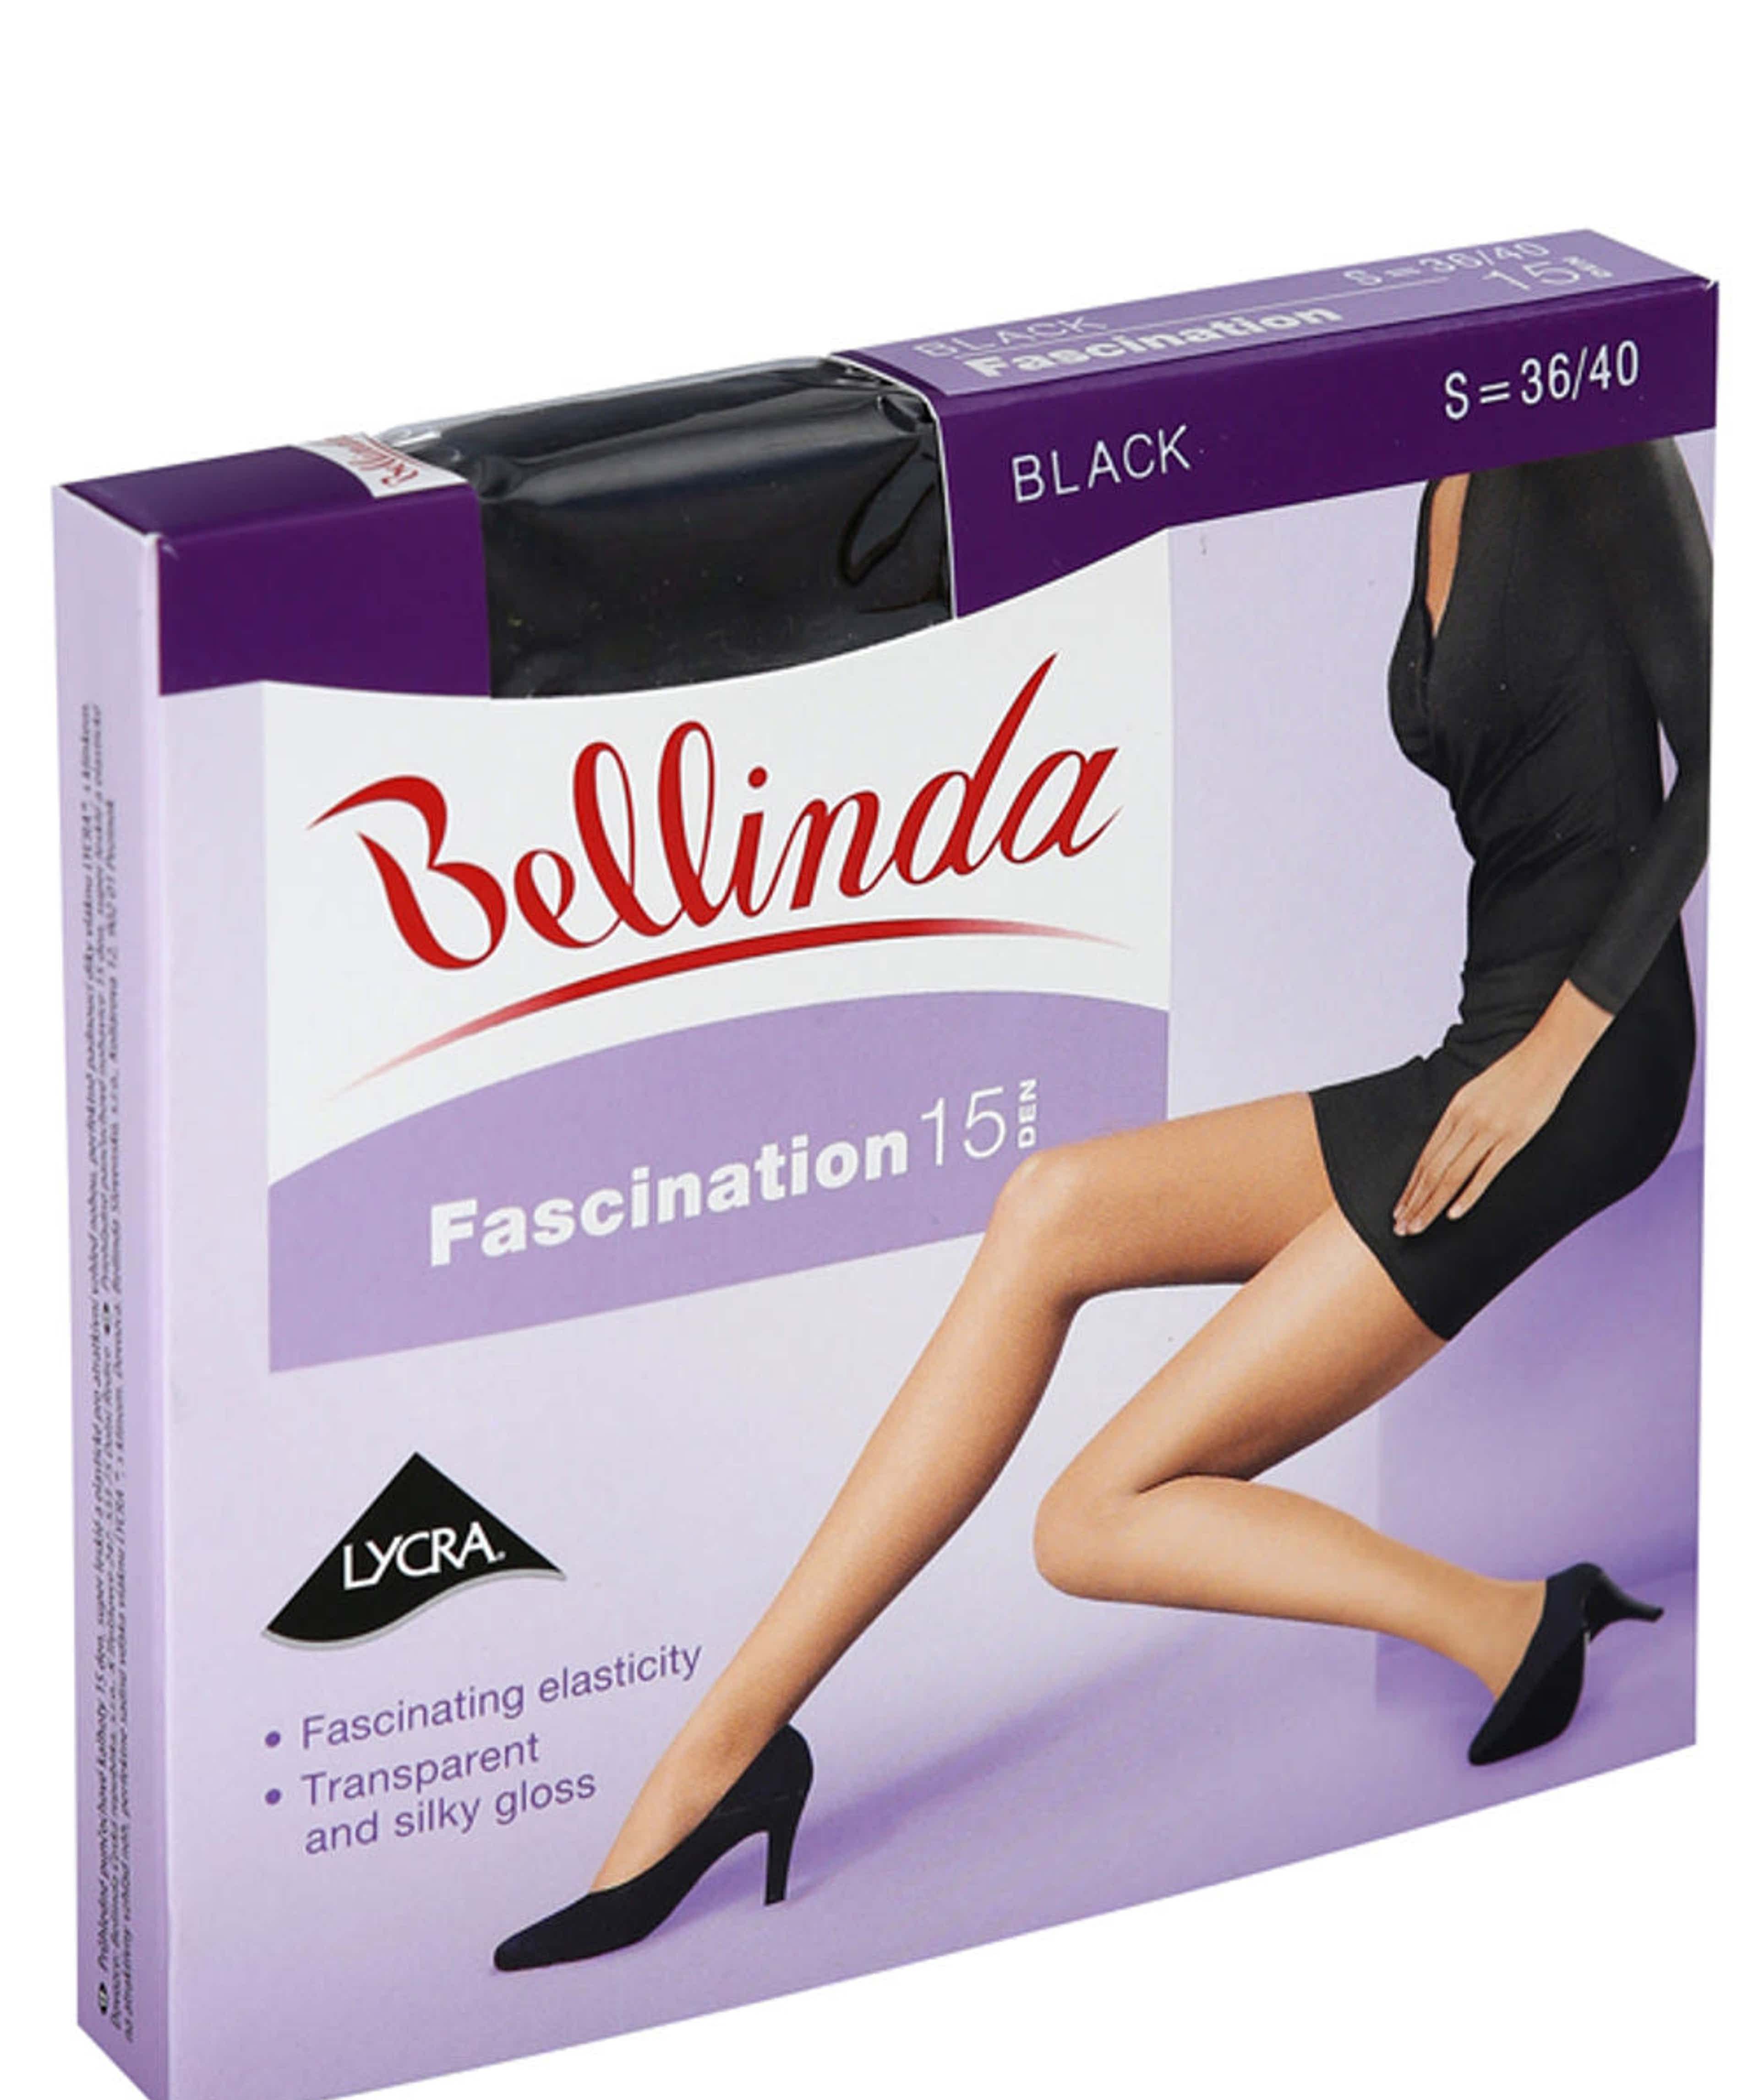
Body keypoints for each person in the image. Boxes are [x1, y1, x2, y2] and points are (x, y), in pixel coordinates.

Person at [494, 437, 1711, 1973]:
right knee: (1050, 1204)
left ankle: (1502, 1619)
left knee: (1088, 1522)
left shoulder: (1595, 436)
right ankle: (728, 1743)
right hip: (1479, 1048)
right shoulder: (1436, 474)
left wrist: (1554, 1057)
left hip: (1579, 1069)